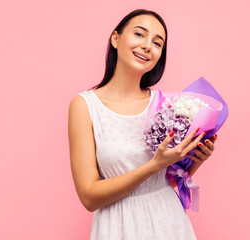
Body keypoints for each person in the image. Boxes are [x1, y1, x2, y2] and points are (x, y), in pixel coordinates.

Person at [68, 9, 218, 240]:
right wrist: (153, 165)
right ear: (116, 39)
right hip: (118, 226)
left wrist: (193, 161)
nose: (148, 46)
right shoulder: (84, 106)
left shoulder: (165, 105)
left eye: (157, 43)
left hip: (168, 221)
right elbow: (89, 197)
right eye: (140, 34)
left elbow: (167, 179)